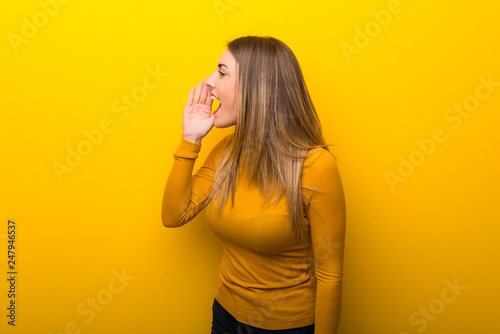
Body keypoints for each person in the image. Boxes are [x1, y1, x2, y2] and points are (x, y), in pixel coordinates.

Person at [161, 35, 346, 334]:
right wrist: (190, 140)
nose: (209, 81)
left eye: (221, 72)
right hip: (224, 315)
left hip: (284, 327)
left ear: (256, 88)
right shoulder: (226, 151)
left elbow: (330, 274)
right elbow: (174, 215)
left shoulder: (315, 167)